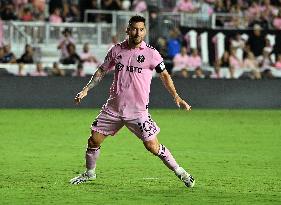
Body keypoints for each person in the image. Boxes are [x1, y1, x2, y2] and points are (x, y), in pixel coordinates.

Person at [69, 15, 195, 188]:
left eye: (141, 29)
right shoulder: (116, 50)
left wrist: (176, 96)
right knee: (93, 140)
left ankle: (181, 172)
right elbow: (101, 71)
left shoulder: (151, 53)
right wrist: (86, 89)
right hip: (113, 108)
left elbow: (164, 75)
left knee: (152, 146)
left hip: (138, 112)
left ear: (145, 31)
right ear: (127, 30)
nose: (137, 32)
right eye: (134, 29)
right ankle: (89, 174)